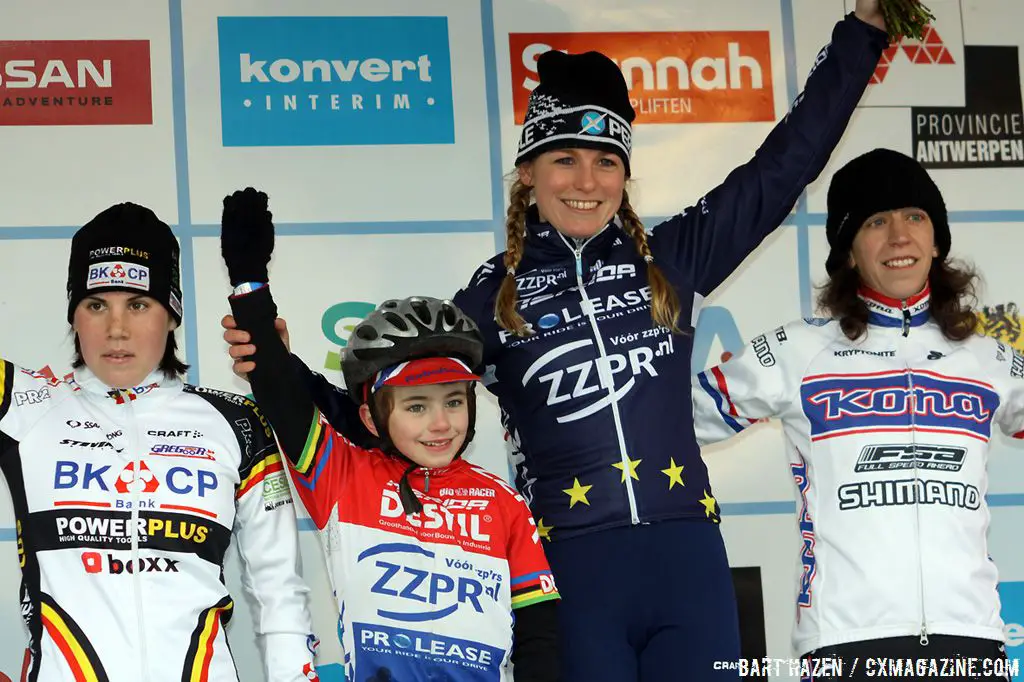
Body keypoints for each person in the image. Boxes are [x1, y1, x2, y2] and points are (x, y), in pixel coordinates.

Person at [222, 3, 891, 677]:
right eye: (564, 159)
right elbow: (376, 417)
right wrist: (278, 364)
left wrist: (864, 30)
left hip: (688, 564)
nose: (585, 182)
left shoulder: (671, 259)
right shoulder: (492, 296)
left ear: (626, 174)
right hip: (572, 571)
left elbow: (787, 163)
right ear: (529, 173)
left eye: (606, 161)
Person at [692, 149, 1016, 679]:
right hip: (847, 643)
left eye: (915, 217)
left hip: (972, 642)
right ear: (847, 252)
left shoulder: (987, 356)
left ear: (937, 242)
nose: (899, 237)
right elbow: (666, 422)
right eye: (875, 221)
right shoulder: (796, 352)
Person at [220, 189, 561, 682]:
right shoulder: (343, 475)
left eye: (454, 401)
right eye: (417, 406)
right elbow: (277, 386)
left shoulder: (502, 501)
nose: (441, 423)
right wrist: (249, 278)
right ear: (372, 418)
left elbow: (540, 635)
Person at [0, 203, 316, 681]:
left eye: (138, 304)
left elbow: (279, 590)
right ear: (74, 316)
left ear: (171, 316)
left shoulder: (236, 422)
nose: (117, 329)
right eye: (96, 304)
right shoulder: (25, 404)